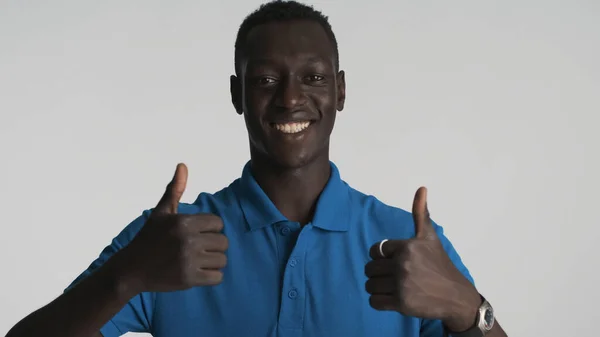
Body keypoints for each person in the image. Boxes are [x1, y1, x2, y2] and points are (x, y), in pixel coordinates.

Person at [6, 1, 509, 337]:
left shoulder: (405, 240)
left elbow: (473, 318)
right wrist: (126, 276)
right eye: (266, 79)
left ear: (340, 91)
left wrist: (469, 310)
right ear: (236, 95)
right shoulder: (166, 242)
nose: (291, 99)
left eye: (312, 77)